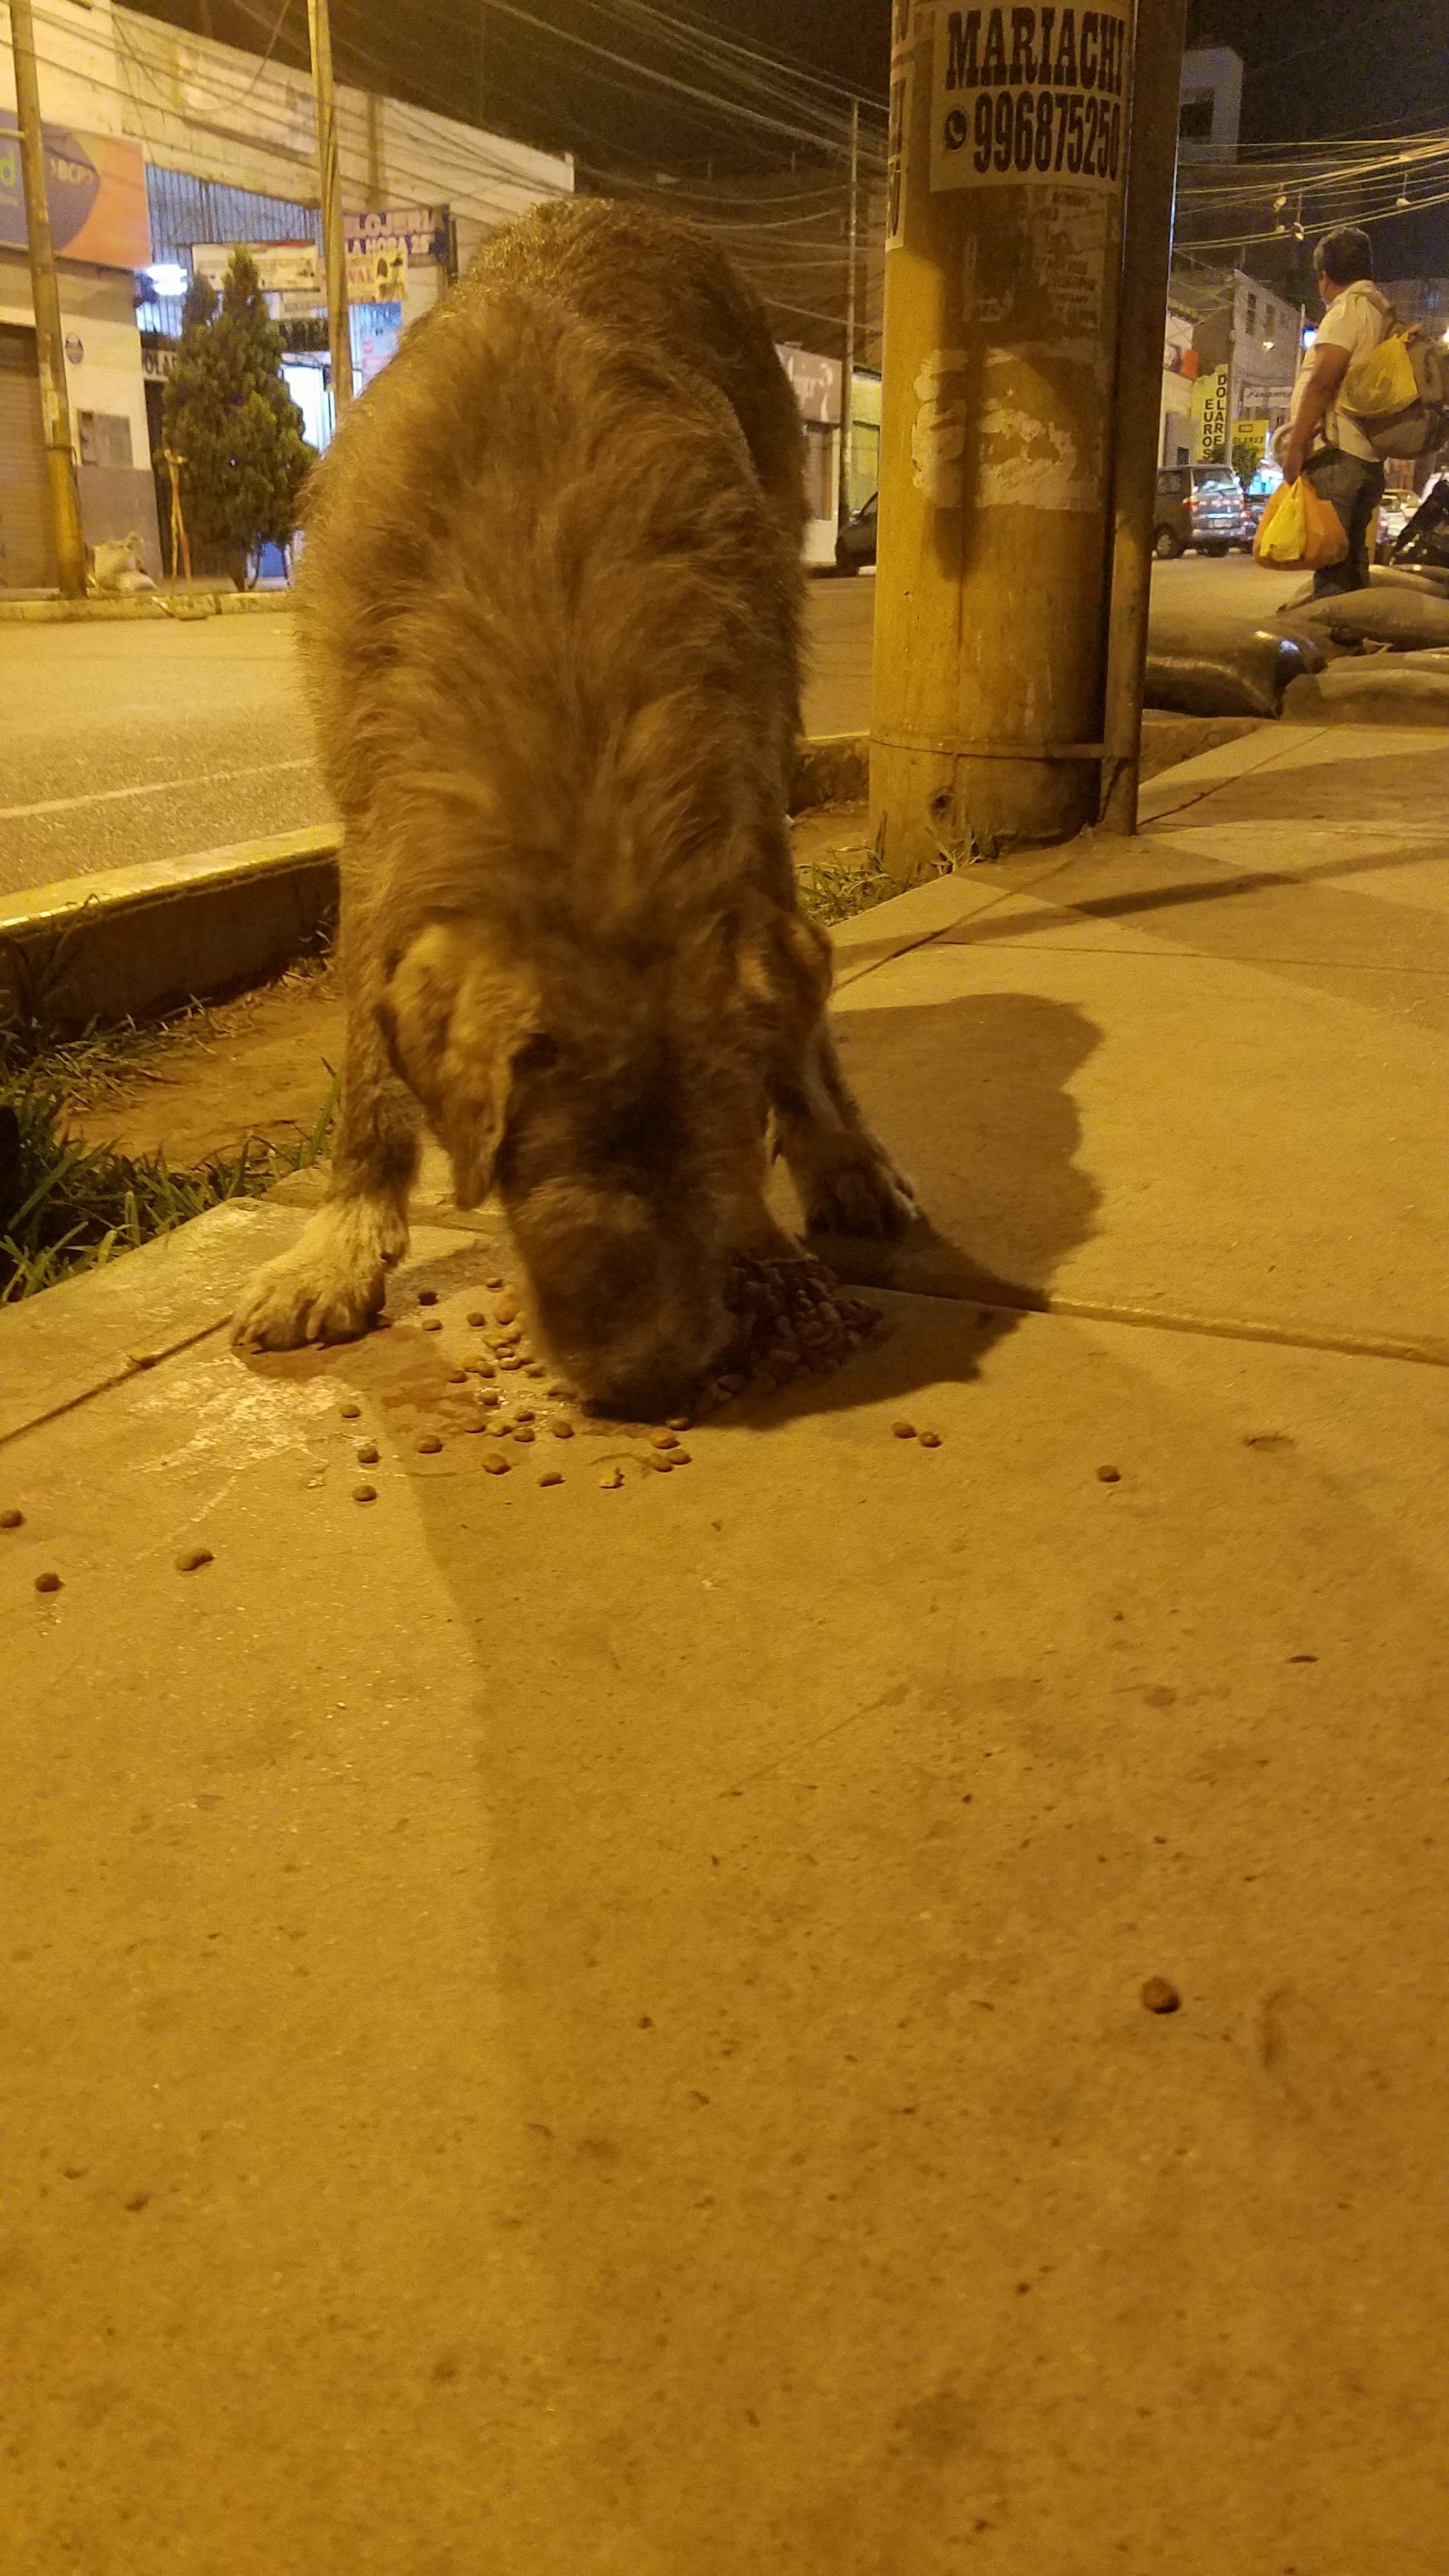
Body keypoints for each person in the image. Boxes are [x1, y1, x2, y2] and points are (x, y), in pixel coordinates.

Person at [1280, 226, 1390, 597]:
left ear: (1324, 278)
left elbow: (1323, 383)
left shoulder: (1347, 311)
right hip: (1366, 459)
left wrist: (1295, 448)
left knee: (1331, 569)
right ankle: (1354, 645)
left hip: (1338, 459)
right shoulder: (1381, 310)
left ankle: (1333, 650)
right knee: (1350, 565)